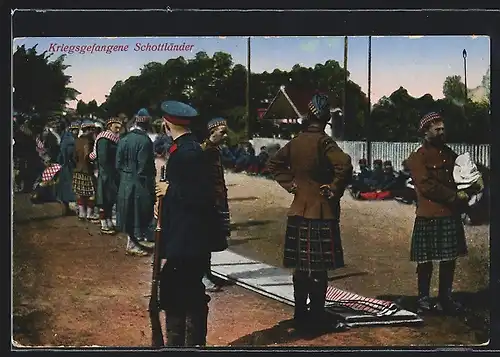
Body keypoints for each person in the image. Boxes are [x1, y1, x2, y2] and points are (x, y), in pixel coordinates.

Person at [268, 93, 353, 332]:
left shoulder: (296, 141)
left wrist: (290, 184)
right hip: (321, 212)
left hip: (298, 210)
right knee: (318, 268)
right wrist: (334, 187)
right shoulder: (324, 142)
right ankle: (316, 315)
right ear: (325, 118)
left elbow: (274, 163)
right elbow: (344, 164)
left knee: (299, 267)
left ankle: (299, 313)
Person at [155, 100, 218, 347]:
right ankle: (183, 344)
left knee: (182, 291)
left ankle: (187, 346)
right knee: (178, 289)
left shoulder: (188, 153)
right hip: (185, 234)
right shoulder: (183, 149)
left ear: (166, 124)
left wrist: (169, 190)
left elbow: (201, 197)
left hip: (188, 237)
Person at [407, 112, 483, 315]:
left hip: (449, 214)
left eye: (443, 129)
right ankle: (423, 298)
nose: (442, 132)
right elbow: (426, 186)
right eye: (437, 129)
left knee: (449, 259)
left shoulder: (449, 153)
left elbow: (464, 172)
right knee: (425, 260)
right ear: (425, 132)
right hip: (429, 214)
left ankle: (445, 298)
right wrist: (455, 196)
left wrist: (476, 181)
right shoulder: (417, 157)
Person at [115, 108, 155, 256]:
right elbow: (144, 167)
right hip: (138, 183)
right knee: (139, 212)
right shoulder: (145, 141)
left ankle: (132, 242)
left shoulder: (123, 138)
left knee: (128, 213)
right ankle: (133, 244)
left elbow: (117, 164)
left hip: (124, 182)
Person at [200, 117, 231, 293]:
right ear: (212, 132)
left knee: (211, 239)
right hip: (208, 201)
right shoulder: (204, 151)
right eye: (222, 132)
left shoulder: (215, 150)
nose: (225, 136)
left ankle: (208, 272)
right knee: (203, 239)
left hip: (217, 199)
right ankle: (202, 276)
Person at [90, 117, 122, 234]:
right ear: (110, 126)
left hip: (112, 173)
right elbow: (103, 159)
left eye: (119, 127)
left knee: (110, 199)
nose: (118, 129)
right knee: (104, 199)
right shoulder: (104, 139)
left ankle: (108, 221)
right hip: (106, 174)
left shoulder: (115, 138)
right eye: (116, 126)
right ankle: (104, 224)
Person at [72, 120, 99, 221]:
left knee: (80, 193)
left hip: (78, 170)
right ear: (89, 129)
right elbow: (89, 156)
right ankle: (89, 214)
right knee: (91, 193)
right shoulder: (90, 141)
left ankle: (82, 213)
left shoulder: (77, 140)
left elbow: (74, 157)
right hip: (88, 170)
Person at [56, 121, 80, 215]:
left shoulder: (64, 138)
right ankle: (69, 209)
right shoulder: (71, 141)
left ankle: (66, 209)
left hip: (63, 166)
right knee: (69, 187)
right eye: (75, 130)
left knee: (64, 188)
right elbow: (70, 156)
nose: (76, 132)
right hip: (68, 167)